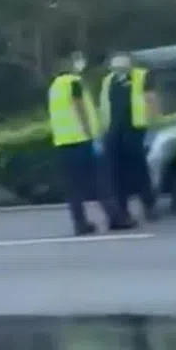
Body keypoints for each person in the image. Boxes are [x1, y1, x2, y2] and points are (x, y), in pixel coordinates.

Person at [47, 53, 135, 236]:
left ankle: (80, 224)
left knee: (74, 188)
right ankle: (116, 218)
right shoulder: (74, 82)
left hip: (63, 143)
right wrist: (91, 135)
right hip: (82, 141)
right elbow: (80, 109)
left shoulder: (54, 86)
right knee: (101, 182)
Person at [99, 52, 159, 221]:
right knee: (117, 174)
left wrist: (153, 126)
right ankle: (122, 211)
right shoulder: (108, 81)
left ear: (129, 66)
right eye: (116, 68)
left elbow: (151, 100)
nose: (119, 71)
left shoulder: (142, 76)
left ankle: (149, 205)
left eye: (122, 68)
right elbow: (104, 106)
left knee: (139, 171)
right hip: (114, 132)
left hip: (135, 130)